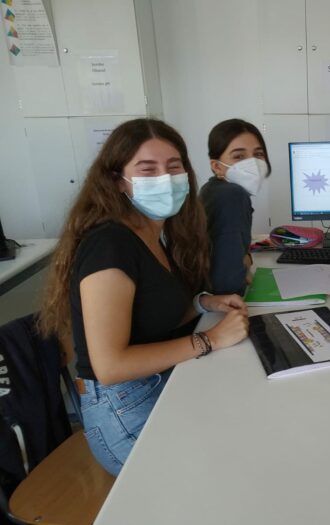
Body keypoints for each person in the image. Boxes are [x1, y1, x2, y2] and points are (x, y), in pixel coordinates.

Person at [38, 118, 249, 476]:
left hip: (157, 382)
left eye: (174, 166)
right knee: (226, 471)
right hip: (124, 410)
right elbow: (110, 367)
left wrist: (203, 303)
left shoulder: (153, 234)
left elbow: (153, 314)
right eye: (147, 169)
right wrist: (209, 340)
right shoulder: (109, 245)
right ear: (118, 181)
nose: (165, 179)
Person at [200, 119, 271, 296]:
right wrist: (245, 264)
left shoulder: (211, 189)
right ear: (217, 166)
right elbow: (228, 283)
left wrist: (246, 258)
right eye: (239, 156)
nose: (253, 163)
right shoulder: (232, 195)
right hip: (223, 303)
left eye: (258, 154)